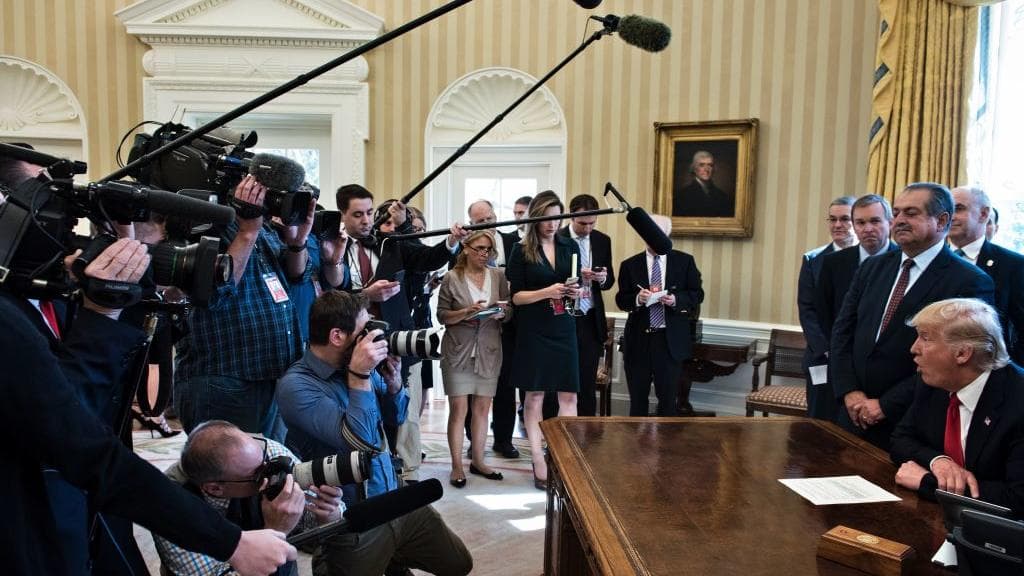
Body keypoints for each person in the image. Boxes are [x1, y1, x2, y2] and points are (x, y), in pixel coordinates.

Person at [275, 291, 472, 576]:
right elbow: (362, 441)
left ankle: (393, 557)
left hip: (395, 496)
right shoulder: (296, 386)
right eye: (364, 330)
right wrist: (360, 376)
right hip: (355, 517)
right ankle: (328, 560)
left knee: (458, 563)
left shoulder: (355, 366)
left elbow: (398, 416)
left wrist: (393, 386)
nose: (373, 338)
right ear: (337, 337)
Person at [830, 182, 995, 450]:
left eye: (911, 213)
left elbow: (956, 362)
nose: (899, 221)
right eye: (896, 213)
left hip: (911, 423)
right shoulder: (872, 267)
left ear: (941, 220)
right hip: (852, 415)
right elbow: (842, 333)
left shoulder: (969, 281)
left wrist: (885, 405)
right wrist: (849, 392)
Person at [174, 174, 313, 441]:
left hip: (271, 376)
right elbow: (214, 293)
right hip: (224, 380)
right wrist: (247, 231)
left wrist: (297, 241)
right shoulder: (207, 224)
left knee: (265, 470)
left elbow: (296, 277)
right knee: (228, 476)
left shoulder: (266, 229)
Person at [153, 420, 345, 576]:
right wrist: (276, 530)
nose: (269, 472)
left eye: (264, 459)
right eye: (257, 475)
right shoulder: (171, 505)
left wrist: (328, 516)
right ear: (215, 488)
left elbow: (317, 519)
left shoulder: (265, 452)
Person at [890, 298, 1024, 515]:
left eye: (925, 338)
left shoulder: (1017, 403)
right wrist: (938, 461)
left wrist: (928, 482)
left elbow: (1017, 499)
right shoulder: (935, 382)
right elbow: (900, 439)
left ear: (962, 353)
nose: (914, 349)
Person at [506, 191, 580, 490]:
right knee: (534, 396)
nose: (552, 225)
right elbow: (516, 297)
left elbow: (576, 285)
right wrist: (546, 292)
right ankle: (538, 458)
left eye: (557, 218)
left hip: (564, 326)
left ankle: (564, 457)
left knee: (569, 396)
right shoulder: (520, 250)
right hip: (534, 328)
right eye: (547, 218)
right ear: (536, 217)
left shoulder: (570, 245)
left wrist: (577, 291)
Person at [437, 230, 511, 488]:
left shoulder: (498, 276)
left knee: (482, 409)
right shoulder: (451, 277)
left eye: (488, 250)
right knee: (459, 410)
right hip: (458, 350)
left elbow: (509, 310)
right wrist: (467, 311)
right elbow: (442, 316)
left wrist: (502, 313)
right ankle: (457, 465)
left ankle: (478, 460)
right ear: (465, 248)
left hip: (489, 351)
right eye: (479, 248)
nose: (484, 254)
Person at [615, 214, 704, 417]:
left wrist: (675, 300)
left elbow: (697, 294)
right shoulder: (630, 265)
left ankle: (666, 447)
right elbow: (621, 299)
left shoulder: (684, 262)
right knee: (637, 402)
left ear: (667, 236)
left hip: (670, 341)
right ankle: (635, 447)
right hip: (639, 341)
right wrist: (637, 299)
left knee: (668, 403)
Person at [461, 199, 521, 459]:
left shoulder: (515, 244)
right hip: (474, 329)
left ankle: (504, 440)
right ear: (471, 225)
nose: (487, 224)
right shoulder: (465, 251)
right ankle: (474, 440)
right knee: (474, 387)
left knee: (506, 385)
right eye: (480, 222)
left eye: (489, 218)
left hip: (507, 326)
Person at [948, 186, 1024, 365]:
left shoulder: (1014, 265)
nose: (951, 216)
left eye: (958, 209)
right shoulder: (933, 260)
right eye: (947, 210)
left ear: (983, 214)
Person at [797, 196, 857, 421]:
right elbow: (807, 309)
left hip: (856, 359)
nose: (837, 225)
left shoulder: (872, 260)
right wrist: (828, 349)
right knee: (819, 421)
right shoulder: (813, 260)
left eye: (845, 219)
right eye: (832, 219)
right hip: (821, 356)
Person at [558, 193, 615, 416]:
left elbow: (609, 281)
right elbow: (547, 277)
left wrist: (602, 279)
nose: (588, 228)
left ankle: (587, 439)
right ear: (572, 217)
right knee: (560, 382)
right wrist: (573, 274)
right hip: (563, 316)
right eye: (583, 223)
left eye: (592, 223)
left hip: (590, 318)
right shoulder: (557, 238)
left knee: (587, 383)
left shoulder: (603, 240)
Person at [673, 150, 733, 218]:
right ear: (694, 168)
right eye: (701, 165)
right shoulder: (682, 195)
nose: (706, 169)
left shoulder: (722, 196)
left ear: (713, 169)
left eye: (710, 165)